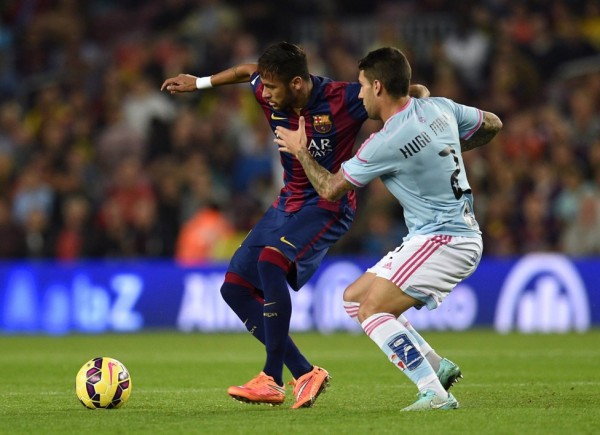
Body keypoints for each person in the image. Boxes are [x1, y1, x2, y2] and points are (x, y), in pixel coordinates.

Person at [161, 42, 455, 409]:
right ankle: (304, 372)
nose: (264, 94)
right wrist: (200, 83)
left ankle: (271, 378)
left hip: (327, 205)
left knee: (270, 262)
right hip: (288, 203)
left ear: (297, 83)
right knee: (234, 289)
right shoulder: (267, 86)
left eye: (272, 88)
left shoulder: (344, 99)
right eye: (263, 87)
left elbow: (406, 92)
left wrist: (422, 100)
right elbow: (243, 71)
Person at [275, 46, 502, 411]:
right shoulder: (438, 107)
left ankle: (434, 394)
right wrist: (443, 146)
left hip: (445, 238)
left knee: (372, 312)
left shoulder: (384, 142)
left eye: (362, 86)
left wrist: (302, 151)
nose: (359, 94)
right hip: (443, 233)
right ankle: (437, 367)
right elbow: (492, 123)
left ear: (379, 87)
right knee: (354, 299)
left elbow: (331, 189)